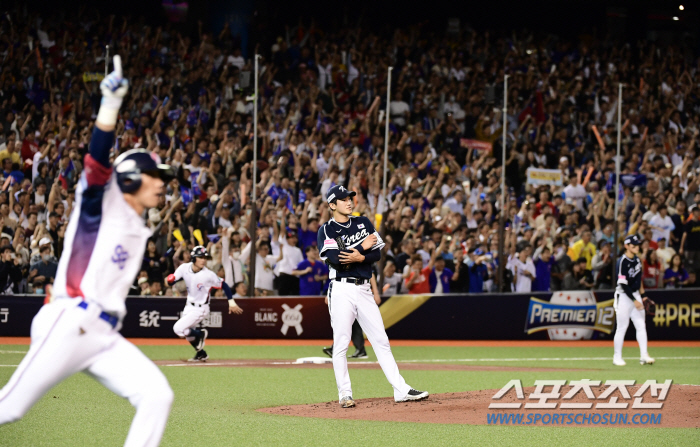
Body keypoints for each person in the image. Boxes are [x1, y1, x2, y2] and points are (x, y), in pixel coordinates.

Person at [0, 57, 175, 446]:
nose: (162, 184)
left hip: (103, 334)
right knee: (9, 408)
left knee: (157, 394)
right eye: (155, 177)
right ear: (130, 179)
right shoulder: (101, 203)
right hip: (70, 320)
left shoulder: (136, 223)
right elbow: (97, 163)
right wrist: (109, 106)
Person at [318, 184, 427, 408]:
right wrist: (361, 246)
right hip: (341, 289)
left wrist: (359, 256)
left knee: (381, 340)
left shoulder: (363, 222)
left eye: (350, 198)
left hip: (364, 288)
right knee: (341, 344)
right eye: (343, 199)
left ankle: (401, 389)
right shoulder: (326, 230)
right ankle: (345, 394)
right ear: (332, 205)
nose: (349, 201)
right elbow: (336, 259)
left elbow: (376, 252)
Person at [167, 246, 243, 362]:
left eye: (205, 258)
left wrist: (231, 302)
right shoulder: (184, 268)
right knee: (188, 335)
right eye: (200, 257)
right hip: (188, 305)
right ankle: (201, 353)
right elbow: (172, 280)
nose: (203, 260)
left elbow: (225, 285)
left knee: (177, 329)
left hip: (201, 308)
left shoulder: (208, 274)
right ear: (193, 258)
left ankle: (200, 333)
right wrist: (170, 280)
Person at [613, 234, 655, 366]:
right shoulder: (622, 262)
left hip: (635, 294)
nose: (637, 247)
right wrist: (634, 300)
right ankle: (617, 357)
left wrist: (643, 296)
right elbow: (623, 284)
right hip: (624, 296)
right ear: (626, 246)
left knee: (641, 325)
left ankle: (644, 355)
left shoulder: (637, 260)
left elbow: (638, 280)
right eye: (633, 245)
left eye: (637, 245)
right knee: (622, 327)